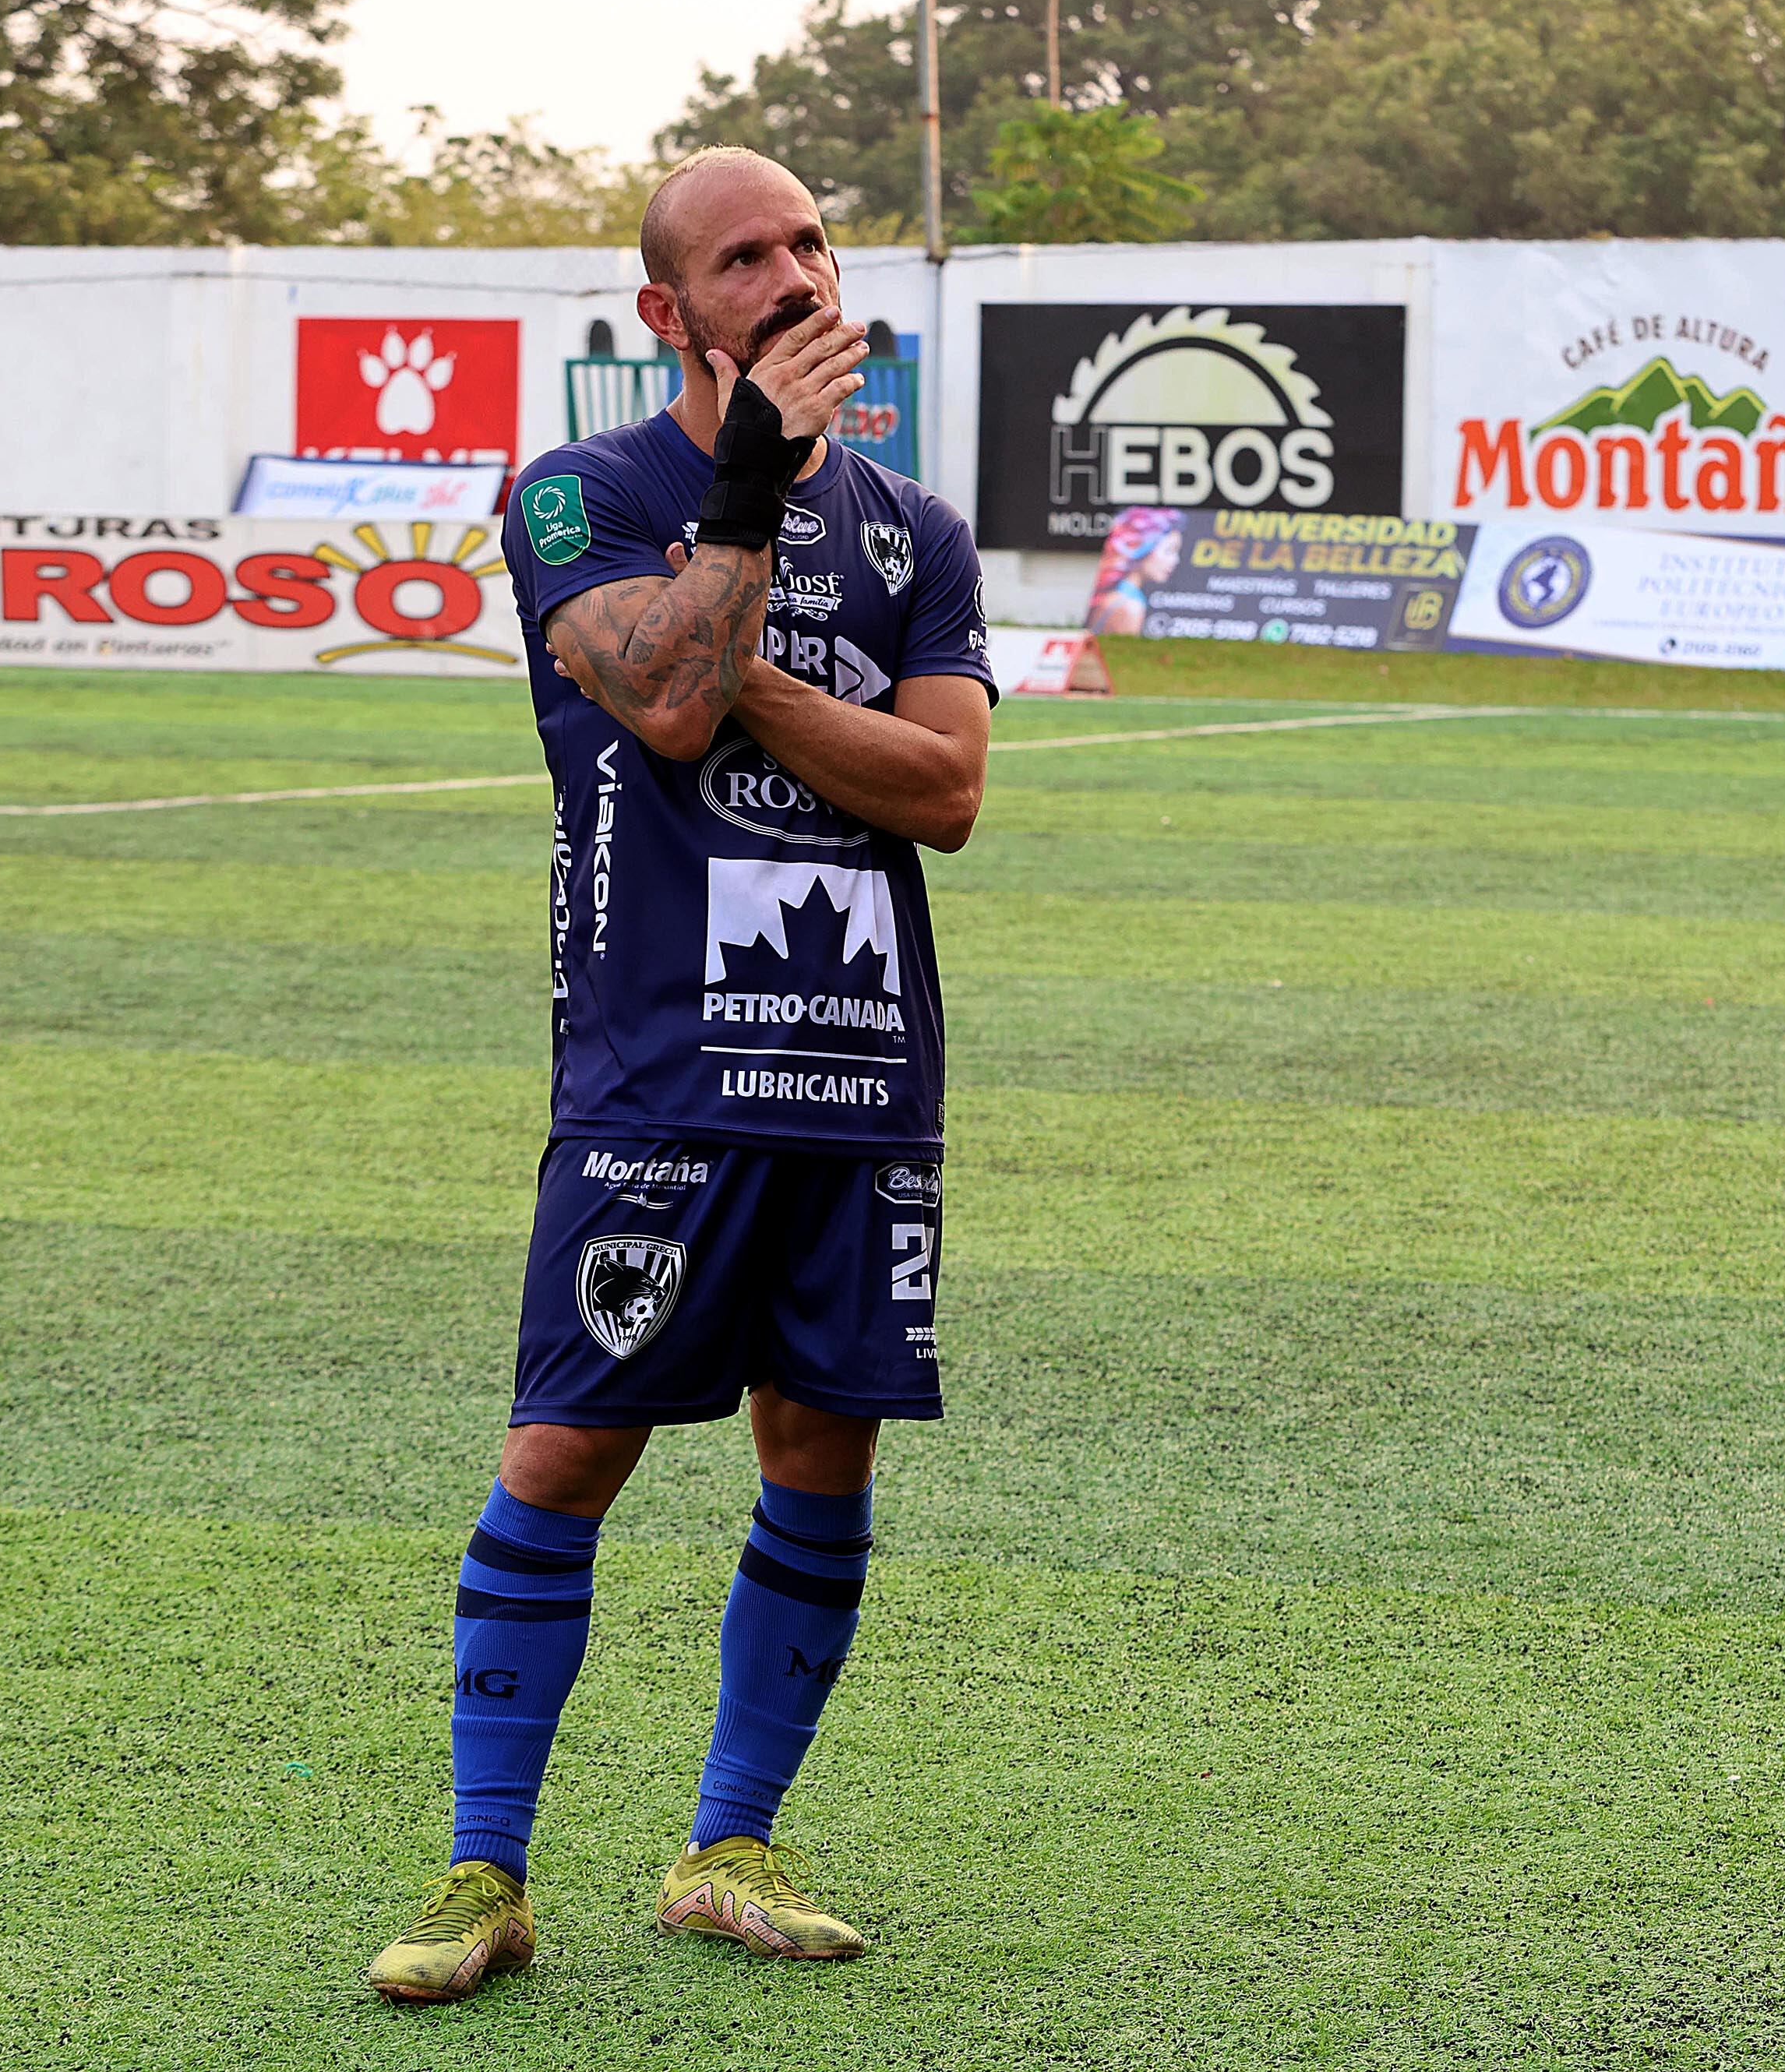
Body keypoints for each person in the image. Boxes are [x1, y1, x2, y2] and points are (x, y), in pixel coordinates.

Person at [365, 145, 995, 2003]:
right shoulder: (583, 494)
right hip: (657, 1070)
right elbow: (653, 699)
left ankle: (730, 1845)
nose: (795, 275)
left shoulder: (913, 534)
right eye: (745, 257)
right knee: (567, 1448)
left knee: (822, 1452)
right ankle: (485, 1874)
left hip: (863, 1074)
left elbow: (946, 793)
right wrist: (743, 514)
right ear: (669, 314)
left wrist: (769, 699)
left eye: (810, 241)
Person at [1085, 505, 1185, 636]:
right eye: (1169, 551)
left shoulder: (1117, 596)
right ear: (1142, 549)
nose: (1175, 560)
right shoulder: (1130, 607)